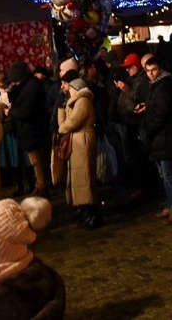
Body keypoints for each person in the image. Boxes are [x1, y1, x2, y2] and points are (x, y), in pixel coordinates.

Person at [138, 56, 172, 225]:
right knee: (164, 174)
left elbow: (161, 114)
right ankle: (170, 204)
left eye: (153, 70)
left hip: (165, 137)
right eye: (148, 71)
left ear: (160, 69)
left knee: (169, 174)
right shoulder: (156, 85)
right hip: (160, 137)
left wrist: (148, 130)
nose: (150, 74)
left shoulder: (164, 86)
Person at [57, 74, 103, 229]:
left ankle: (93, 213)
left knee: (85, 177)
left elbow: (67, 125)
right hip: (78, 141)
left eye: (69, 87)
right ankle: (85, 210)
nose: (67, 90)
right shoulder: (77, 101)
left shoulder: (83, 102)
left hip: (82, 140)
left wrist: (61, 113)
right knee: (79, 177)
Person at [7, 61, 49, 197]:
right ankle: (39, 185)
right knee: (35, 160)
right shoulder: (26, 85)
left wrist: (10, 112)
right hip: (28, 129)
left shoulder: (32, 87)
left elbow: (26, 112)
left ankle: (41, 186)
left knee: (36, 160)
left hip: (33, 129)